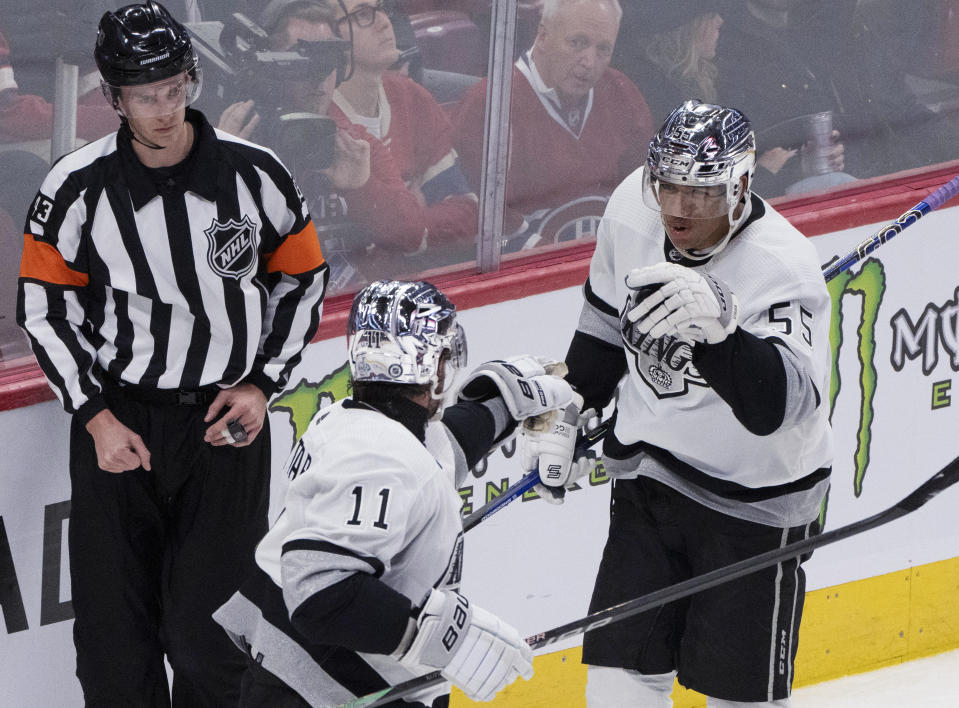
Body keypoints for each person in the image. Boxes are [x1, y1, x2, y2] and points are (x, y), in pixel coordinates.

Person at [16, 2, 328, 704]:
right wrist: (94, 415)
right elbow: (42, 306)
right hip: (119, 425)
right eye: (144, 95)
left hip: (226, 426)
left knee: (208, 637)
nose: (163, 109)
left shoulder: (257, 175)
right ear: (113, 97)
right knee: (111, 643)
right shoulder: (76, 188)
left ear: (191, 79)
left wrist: (262, 384)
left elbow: (304, 277)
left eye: (174, 89)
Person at [522, 100, 834, 706]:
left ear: (740, 187)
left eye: (699, 193)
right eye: (666, 186)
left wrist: (723, 336)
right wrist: (567, 410)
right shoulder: (629, 212)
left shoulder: (782, 267)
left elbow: (780, 409)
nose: (676, 208)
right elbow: (603, 323)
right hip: (651, 481)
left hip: (753, 505)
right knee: (616, 682)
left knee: (736, 699)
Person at [214, 279, 577, 706]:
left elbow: (437, 453)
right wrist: (443, 634)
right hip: (325, 690)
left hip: (296, 674)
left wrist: (504, 405)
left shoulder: (350, 420)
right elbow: (318, 592)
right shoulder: (379, 456)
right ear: (434, 367)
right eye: (443, 353)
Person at [217, 0, 468, 295]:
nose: (319, 76)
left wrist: (363, 186)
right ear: (271, 66)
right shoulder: (231, 142)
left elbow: (411, 237)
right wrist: (219, 175)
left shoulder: (356, 145)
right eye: (304, 60)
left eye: (330, 59)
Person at [452, 0, 654, 251]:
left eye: (603, 49)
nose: (589, 62)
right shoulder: (490, 104)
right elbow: (477, 215)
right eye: (577, 43)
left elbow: (646, 193)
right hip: (533, 278)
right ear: (543, 35)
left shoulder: (621, 93)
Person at [613, 2, 846, 197]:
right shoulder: (663, 98)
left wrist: (802, 166)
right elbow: (700, 197)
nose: (720, 22)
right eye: (711, 15)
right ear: (688, 28)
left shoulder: (706, 82)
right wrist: (763, 171)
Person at [329, 0, 479, 261]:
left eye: (381, 8)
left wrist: (414, 226)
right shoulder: (321, 121)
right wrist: (415, 210)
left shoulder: (411, 96)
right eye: (363, 15)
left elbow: (468, 212)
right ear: (327, 36)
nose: (385, 22)